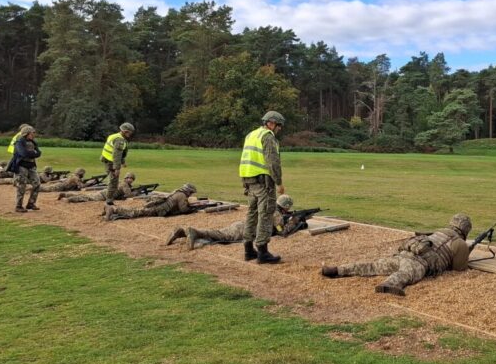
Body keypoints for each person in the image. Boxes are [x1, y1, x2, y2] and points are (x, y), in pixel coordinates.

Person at [321, 214, 473, 296]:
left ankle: (337, 270)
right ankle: (389, 285)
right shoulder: (459, 243)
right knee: (405, 274)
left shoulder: (439, 231)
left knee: (373, 266)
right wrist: (466, 251)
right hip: (419, 262)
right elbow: (459, 268)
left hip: (405, 253)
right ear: (466, 230)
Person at [239, 111, 287, 264]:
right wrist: (279, 182)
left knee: (251, 215)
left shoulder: (251, 135)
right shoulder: (267, 137)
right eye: (278, 126)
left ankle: (248, 250)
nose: (278, 129)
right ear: (271, 123)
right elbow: (272, 162)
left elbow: (245, 159)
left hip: (249, 180)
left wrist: (244, 183)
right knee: (266, 214)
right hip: (263, 182)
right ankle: (262, 251)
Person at [166, 194, 296, 250]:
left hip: (241, 225)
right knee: (220, 237)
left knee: (218, 233)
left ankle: (182, 233)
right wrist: (294, 222)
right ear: (286, 206)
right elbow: (282, 232)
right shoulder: (277, 214)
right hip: (245, 231)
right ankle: (194, 232)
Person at [104, 183, 196, 220]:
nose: (191, 194)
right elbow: (184, 209)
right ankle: (114, 209)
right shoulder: (182, 195)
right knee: (136, 213)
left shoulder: (178, 192)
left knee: (138, 211)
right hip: (159, 209)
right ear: (188, 191)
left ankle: (114, 209)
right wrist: (193, 209)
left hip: (159, 206)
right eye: (191, 192)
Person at [6, 125, 42, 213]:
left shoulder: (33, 142)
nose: (34, 134)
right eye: (32, 133)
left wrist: (33, 153)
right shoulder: (19, 142)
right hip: (22, 166)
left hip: (31, 166)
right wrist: (33, 153)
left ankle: (31, 203)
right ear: (27, 133)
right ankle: (18, 206)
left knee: (37, 184)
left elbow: (39, 153)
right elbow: (23, 153)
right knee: (22, 185)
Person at [101, 122, 134, 201]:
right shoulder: (120, 140)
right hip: (111, 162)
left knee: (113, 181)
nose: (130, 134)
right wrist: (117, 168)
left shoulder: (114, 136)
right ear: (125, 131)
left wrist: (122, 162)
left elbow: (120, 152)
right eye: (130, 132)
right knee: (113, 182)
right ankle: (109, 200)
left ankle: (109, 198)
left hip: (106, 159)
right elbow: (117, 155)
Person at [58, 172, 133, 202]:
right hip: (104, 195)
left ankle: (66, 194)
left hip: (104, 192)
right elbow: (129, 195)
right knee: (86, 198)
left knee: (85, 195)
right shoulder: (124, 184)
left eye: (131, 178)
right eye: (129, 178)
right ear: (126, 178)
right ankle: (68, 199)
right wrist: (136, 192)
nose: (130, 180)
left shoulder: (120, 182)